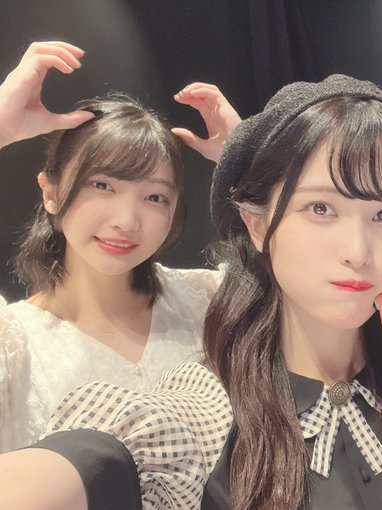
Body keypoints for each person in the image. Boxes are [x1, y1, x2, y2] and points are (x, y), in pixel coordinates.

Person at [0, 73, 382, 510]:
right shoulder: (197, 416)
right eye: (321, 208)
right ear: (258, 226)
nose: (358, 249)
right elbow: (82, 466)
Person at [0, 42, 236, 452]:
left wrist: (249, 160)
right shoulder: (14, 345)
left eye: (155, 197)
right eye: (102, 185)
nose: (127, 220)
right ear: (50, 192)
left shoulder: (208, 303)